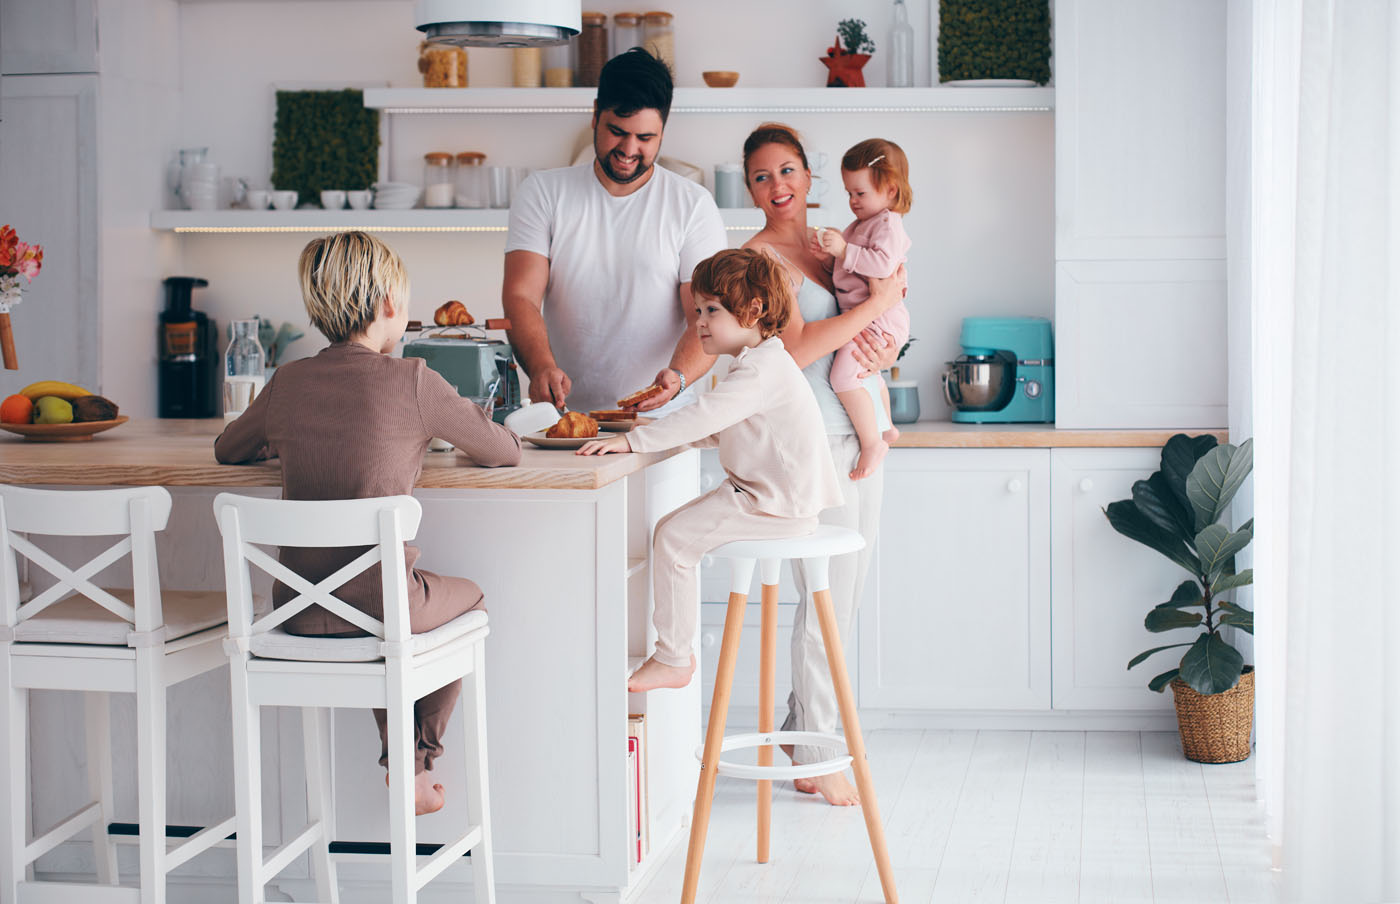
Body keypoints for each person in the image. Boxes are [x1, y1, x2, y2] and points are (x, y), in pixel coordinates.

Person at [214, 231, 522, 816]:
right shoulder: (414, 379)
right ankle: (415, 763)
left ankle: (405, 766)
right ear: (387, 303)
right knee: (465, 599)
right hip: (382, 611)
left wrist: (287, 442)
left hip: (295, 612)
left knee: (387, 614)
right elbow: (504, 451)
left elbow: (229, 449)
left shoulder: (286, 383)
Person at [575, 248, 844, 694]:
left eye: (711, 310)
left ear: (754, 311)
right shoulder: (758, 365)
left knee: (675, 540)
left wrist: (632, 441)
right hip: (766, 497)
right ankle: (671, 653)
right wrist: (655, 429)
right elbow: (721, 428)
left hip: (775, 505)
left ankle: (673, 658)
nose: (699, 321)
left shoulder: (760, 371)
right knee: (670, 530)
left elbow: (704, 417)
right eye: (699, 309)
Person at [741, 123, 905, 807]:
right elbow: (801, 348)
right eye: (761, 177)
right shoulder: (758, 260)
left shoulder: (837, 243)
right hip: (816, 444)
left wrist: (888, 338)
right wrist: (884, 302)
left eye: (787, 171)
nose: (777, 186)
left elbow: (873, 322)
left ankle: (798, 728)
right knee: (827, 604)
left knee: (845, 596)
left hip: (856, 429)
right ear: (751, 190)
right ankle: (819, 753)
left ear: (809, 177)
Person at [503, 48, 727, 415]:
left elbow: (706, 315)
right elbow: (521, 296)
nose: (628, 149)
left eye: (645, 138)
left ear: (663, 132)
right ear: (594, 115)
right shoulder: (542, 192)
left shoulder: (693, 205)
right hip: (564, 418)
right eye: (617, 132)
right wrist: (541, 366)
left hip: (662, 421)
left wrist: (678, 376)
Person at [812, 138, 913, 481]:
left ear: (889, 189)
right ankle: (886, 428)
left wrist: (843, 251)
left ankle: (872, 443)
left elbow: (883, 267)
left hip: (880, 319)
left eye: (860, 193)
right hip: (870, 318)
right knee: (870, 374)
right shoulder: (861, 225)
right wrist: (831, 255)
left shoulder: (888, 225)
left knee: (843, 377)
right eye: (849, 194)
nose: (853, 201)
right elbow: (848, 270)